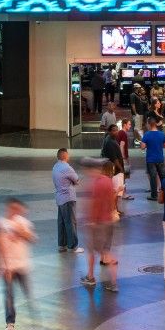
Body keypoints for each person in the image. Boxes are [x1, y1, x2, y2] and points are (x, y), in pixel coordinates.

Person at [0, 198, 36, 330]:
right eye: (13, 209)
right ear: (8, 208)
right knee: (9, 295)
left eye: (18, 209)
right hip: (8, 267)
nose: (15, 212)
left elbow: (33, 239)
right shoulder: (1, 224)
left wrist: (22, 232)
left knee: (27, 291)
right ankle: (10, 322)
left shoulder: (23, 223)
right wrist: (4, 266)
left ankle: (33, 313)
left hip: (22, 264)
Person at [82, 162, 119, 292]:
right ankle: (111, 282)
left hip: (98, 224)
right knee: (105, 251)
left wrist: (92, 221)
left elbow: (95, 204)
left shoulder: (96, 184)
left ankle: (91, 277)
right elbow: (111, 200)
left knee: (95, 251)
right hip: (109, 221)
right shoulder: (109, 181)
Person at [52, 148, 83, 253]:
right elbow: (77, 180)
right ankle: (73, 246)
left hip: (60, 198)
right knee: (71, 222)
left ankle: (62, 245)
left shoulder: (55, 167)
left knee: (61, 222)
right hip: (68, 198)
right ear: (65, 156)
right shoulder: (67, 167)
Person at [142, 119, 165, 201]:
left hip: (150, 159)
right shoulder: (161, 134)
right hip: (160, 158)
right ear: (155, 124)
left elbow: (142, 147)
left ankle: (154, 195)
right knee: (163, 177)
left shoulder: (146, 134)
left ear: (149, 124)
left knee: (153, 178)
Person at [117, 119, 133, 199]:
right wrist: (123, 158)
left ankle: (122, 193)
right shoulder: (123, 133)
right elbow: (121, 146)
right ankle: (124, 194)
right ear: (124, 124)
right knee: (123, 176)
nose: (130, 126)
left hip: (120, 157)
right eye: (129, 124)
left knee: (121, 176)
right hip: (122, 158)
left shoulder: (121, 133)